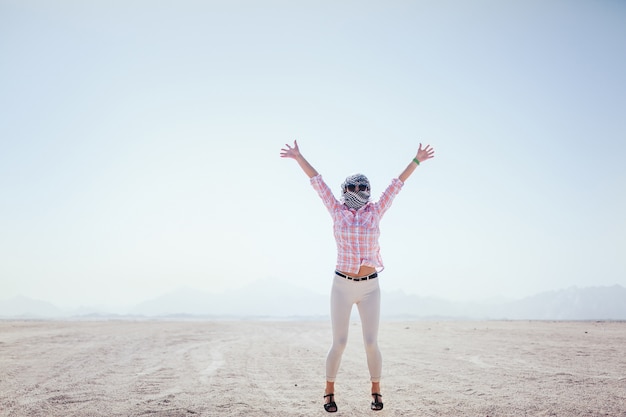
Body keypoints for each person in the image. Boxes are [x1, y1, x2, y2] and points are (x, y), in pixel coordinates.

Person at [280, 140, 435, 413]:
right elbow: (318, 183)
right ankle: (329, 391)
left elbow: (396, 185)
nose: (359, 192)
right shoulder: (337, 211)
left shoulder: (375, 211)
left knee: (371, 342)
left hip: (370, 287)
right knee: (339, 343)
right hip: (341, 285)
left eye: (364, 188)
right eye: (353, 188)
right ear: (345, 191)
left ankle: (375, 389)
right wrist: (298, 157)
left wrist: (417, 160)